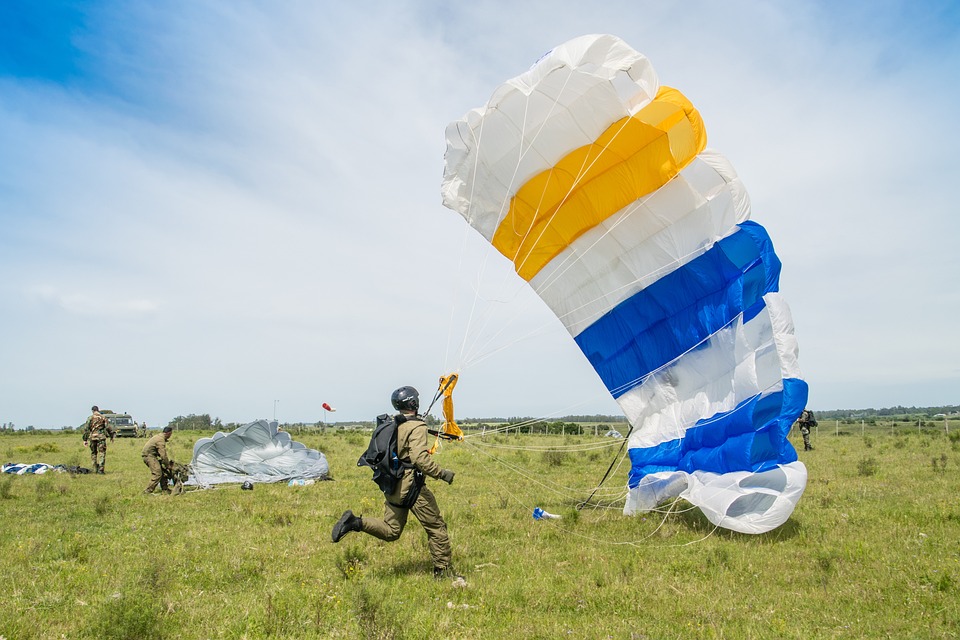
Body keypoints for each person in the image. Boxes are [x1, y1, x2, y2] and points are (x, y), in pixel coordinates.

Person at [332, 386, 459, 579]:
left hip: (393, 484)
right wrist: (442, 474)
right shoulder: (416, 427)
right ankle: (443, 572)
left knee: (391, 531)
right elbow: (419, 459)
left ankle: (355, 522)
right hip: (411, 487)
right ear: (414, 403)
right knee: (436, 528)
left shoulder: (395, 423)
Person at [81, 405, 115, 474]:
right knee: (102, 453)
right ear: (98, 410)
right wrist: (112, 436)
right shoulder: (103, 417)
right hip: (101, 437)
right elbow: (108, 427)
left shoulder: (90, 418)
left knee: (93, 453)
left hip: (93, 437)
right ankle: (101, 470)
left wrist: (85, 439)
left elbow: (86, 429)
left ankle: (94, 469)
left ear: (92, 411)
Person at [142, 426, 174, 494]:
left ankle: (165, 489)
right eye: (171, 434)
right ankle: (147, 491)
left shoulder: (159, 436)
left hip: (151, 455)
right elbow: (163, 455)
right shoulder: (160, 440)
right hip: (149, 456)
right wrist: (168, 465)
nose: (170, 436)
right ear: (168, 433)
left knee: (162, 471)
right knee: (157, 473)